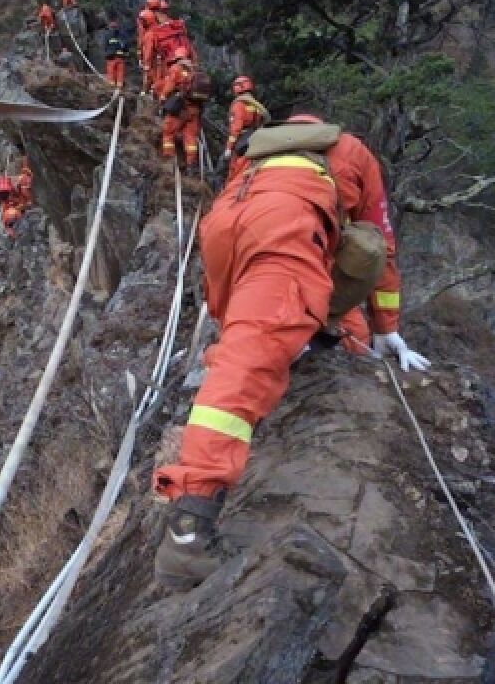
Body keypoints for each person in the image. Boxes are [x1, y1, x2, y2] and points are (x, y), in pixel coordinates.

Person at [151, 115, 428, 590]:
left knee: (247, 338)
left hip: (225, 230)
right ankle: (188, 531)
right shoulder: (354, 152)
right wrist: (388, 329)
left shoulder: (258, 152)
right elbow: (378, 243)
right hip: (287, 227)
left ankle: (299, 335)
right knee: (247, 363)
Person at [159, 47, 201, 173]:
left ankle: (169, 161)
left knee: (168, 133)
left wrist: (163, 97)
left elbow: (170, 85)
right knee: (190, 137)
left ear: (177, 58)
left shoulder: (176, 68)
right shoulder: (195, 70)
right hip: (195, 109)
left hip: (180, 107)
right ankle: (191, 165)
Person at [223, 75, 269, 173]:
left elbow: (236, 128)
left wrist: (229, 147)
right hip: (255, 140)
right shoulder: (255, 104)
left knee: (235, 171)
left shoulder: (238, 105)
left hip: (241, 143)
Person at [104, 20, 129, 90]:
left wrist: (106, 53)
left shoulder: (107, 35)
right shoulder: (122, 35)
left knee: (111, 71)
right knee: (120, 72)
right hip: (120, 56)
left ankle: (111, 87)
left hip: (111, 56)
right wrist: (126, 54)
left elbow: (105, 45)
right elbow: (126, 46)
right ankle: (119, 86)